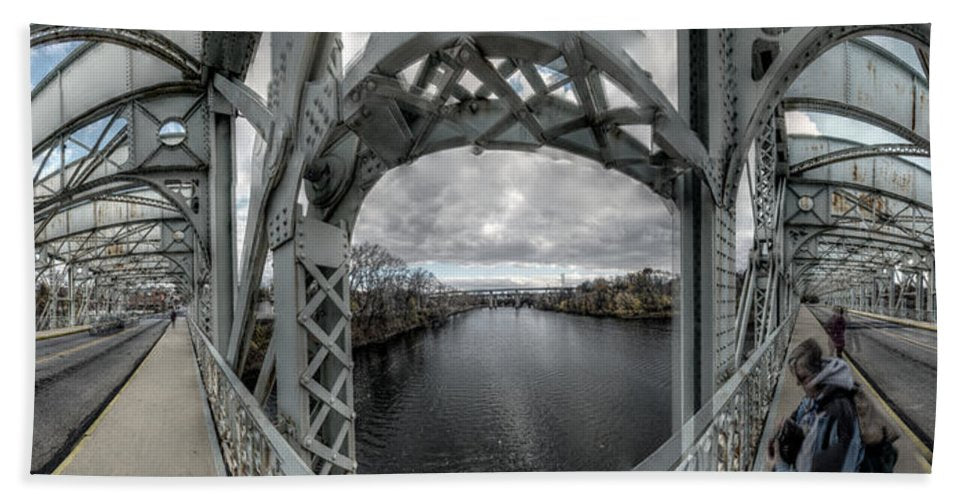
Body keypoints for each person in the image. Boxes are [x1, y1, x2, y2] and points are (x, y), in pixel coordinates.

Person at [766, 338, 865, 472]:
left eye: (802, 378)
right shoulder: (815, 398)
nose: (798, 384)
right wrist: (789, 427)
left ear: (819, 373)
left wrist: (778, 467)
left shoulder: (839, 413)